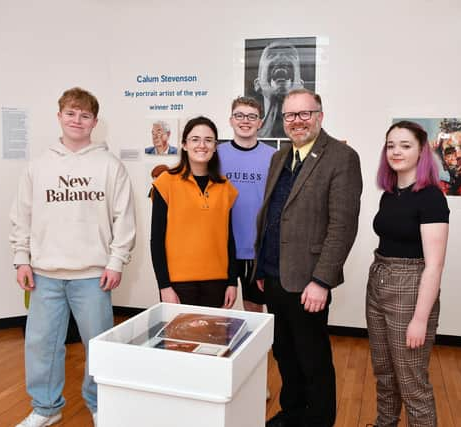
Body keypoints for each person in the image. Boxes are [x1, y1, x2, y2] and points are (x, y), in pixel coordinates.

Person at [10, 87, 136, 427]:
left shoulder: (110, 166)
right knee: (42, 346)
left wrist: (116, 261)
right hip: (44, 273)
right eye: (70, 113)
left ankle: (99, 404)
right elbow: (23, 216)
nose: (76, 120)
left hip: (93, 275)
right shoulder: (38, 166)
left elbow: (123, 218)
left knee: (99, 346)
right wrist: (22, 258)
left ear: (94, 122)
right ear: (59, 116)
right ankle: (46, 409)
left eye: (84, 115)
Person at [255, 89, 362, 427]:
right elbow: (272, 214)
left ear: (320, 116)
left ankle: (317, 420)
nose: (297, 121)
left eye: (305, 114)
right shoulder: (279, 156)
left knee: (311, 357)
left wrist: (321, 280)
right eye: (290, 115)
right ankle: (293, 412)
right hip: (273, 275)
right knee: (284, 352)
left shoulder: (341, 157)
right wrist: (261, 265)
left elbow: (342, 225)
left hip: (308, 280)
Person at [367, 120, 449, 427]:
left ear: (421, 151)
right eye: (391, 145)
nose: (396, 151)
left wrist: (420, 318)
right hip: (378, 281)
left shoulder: (430, 197)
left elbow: (435, 264)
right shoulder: (390, 193)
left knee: (411, 382)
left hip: (410, 288)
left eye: (405, 145)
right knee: (385, 374)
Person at [150, 116, 238, 308]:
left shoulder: (225, 187)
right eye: (195, 139)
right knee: (179, 338)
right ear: (184, 145)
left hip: (217, 282)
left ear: (215, 146)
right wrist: (164, 286)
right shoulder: (165, 183)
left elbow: (229, 239)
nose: (202, 145)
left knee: (214, 337)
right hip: (178, 284)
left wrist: (232, 281)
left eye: (208, 140)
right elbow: (156, 240)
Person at [218, 97, 274, 313]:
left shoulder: (273, 157)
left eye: (252, 116)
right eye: (239, 115)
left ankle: (259, 349)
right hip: (223, 248)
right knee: (220, 309)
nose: (245, 121)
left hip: (257, 250)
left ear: (260, 122)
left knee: (254, 310)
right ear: (231, 120)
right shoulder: (216, 155)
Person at [254, 40, 305, 139]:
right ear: (258, 84)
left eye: (290, 54)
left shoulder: (309, 135)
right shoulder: (249, 135)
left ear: (300, 85)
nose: (281, 56)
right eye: (271, 54)